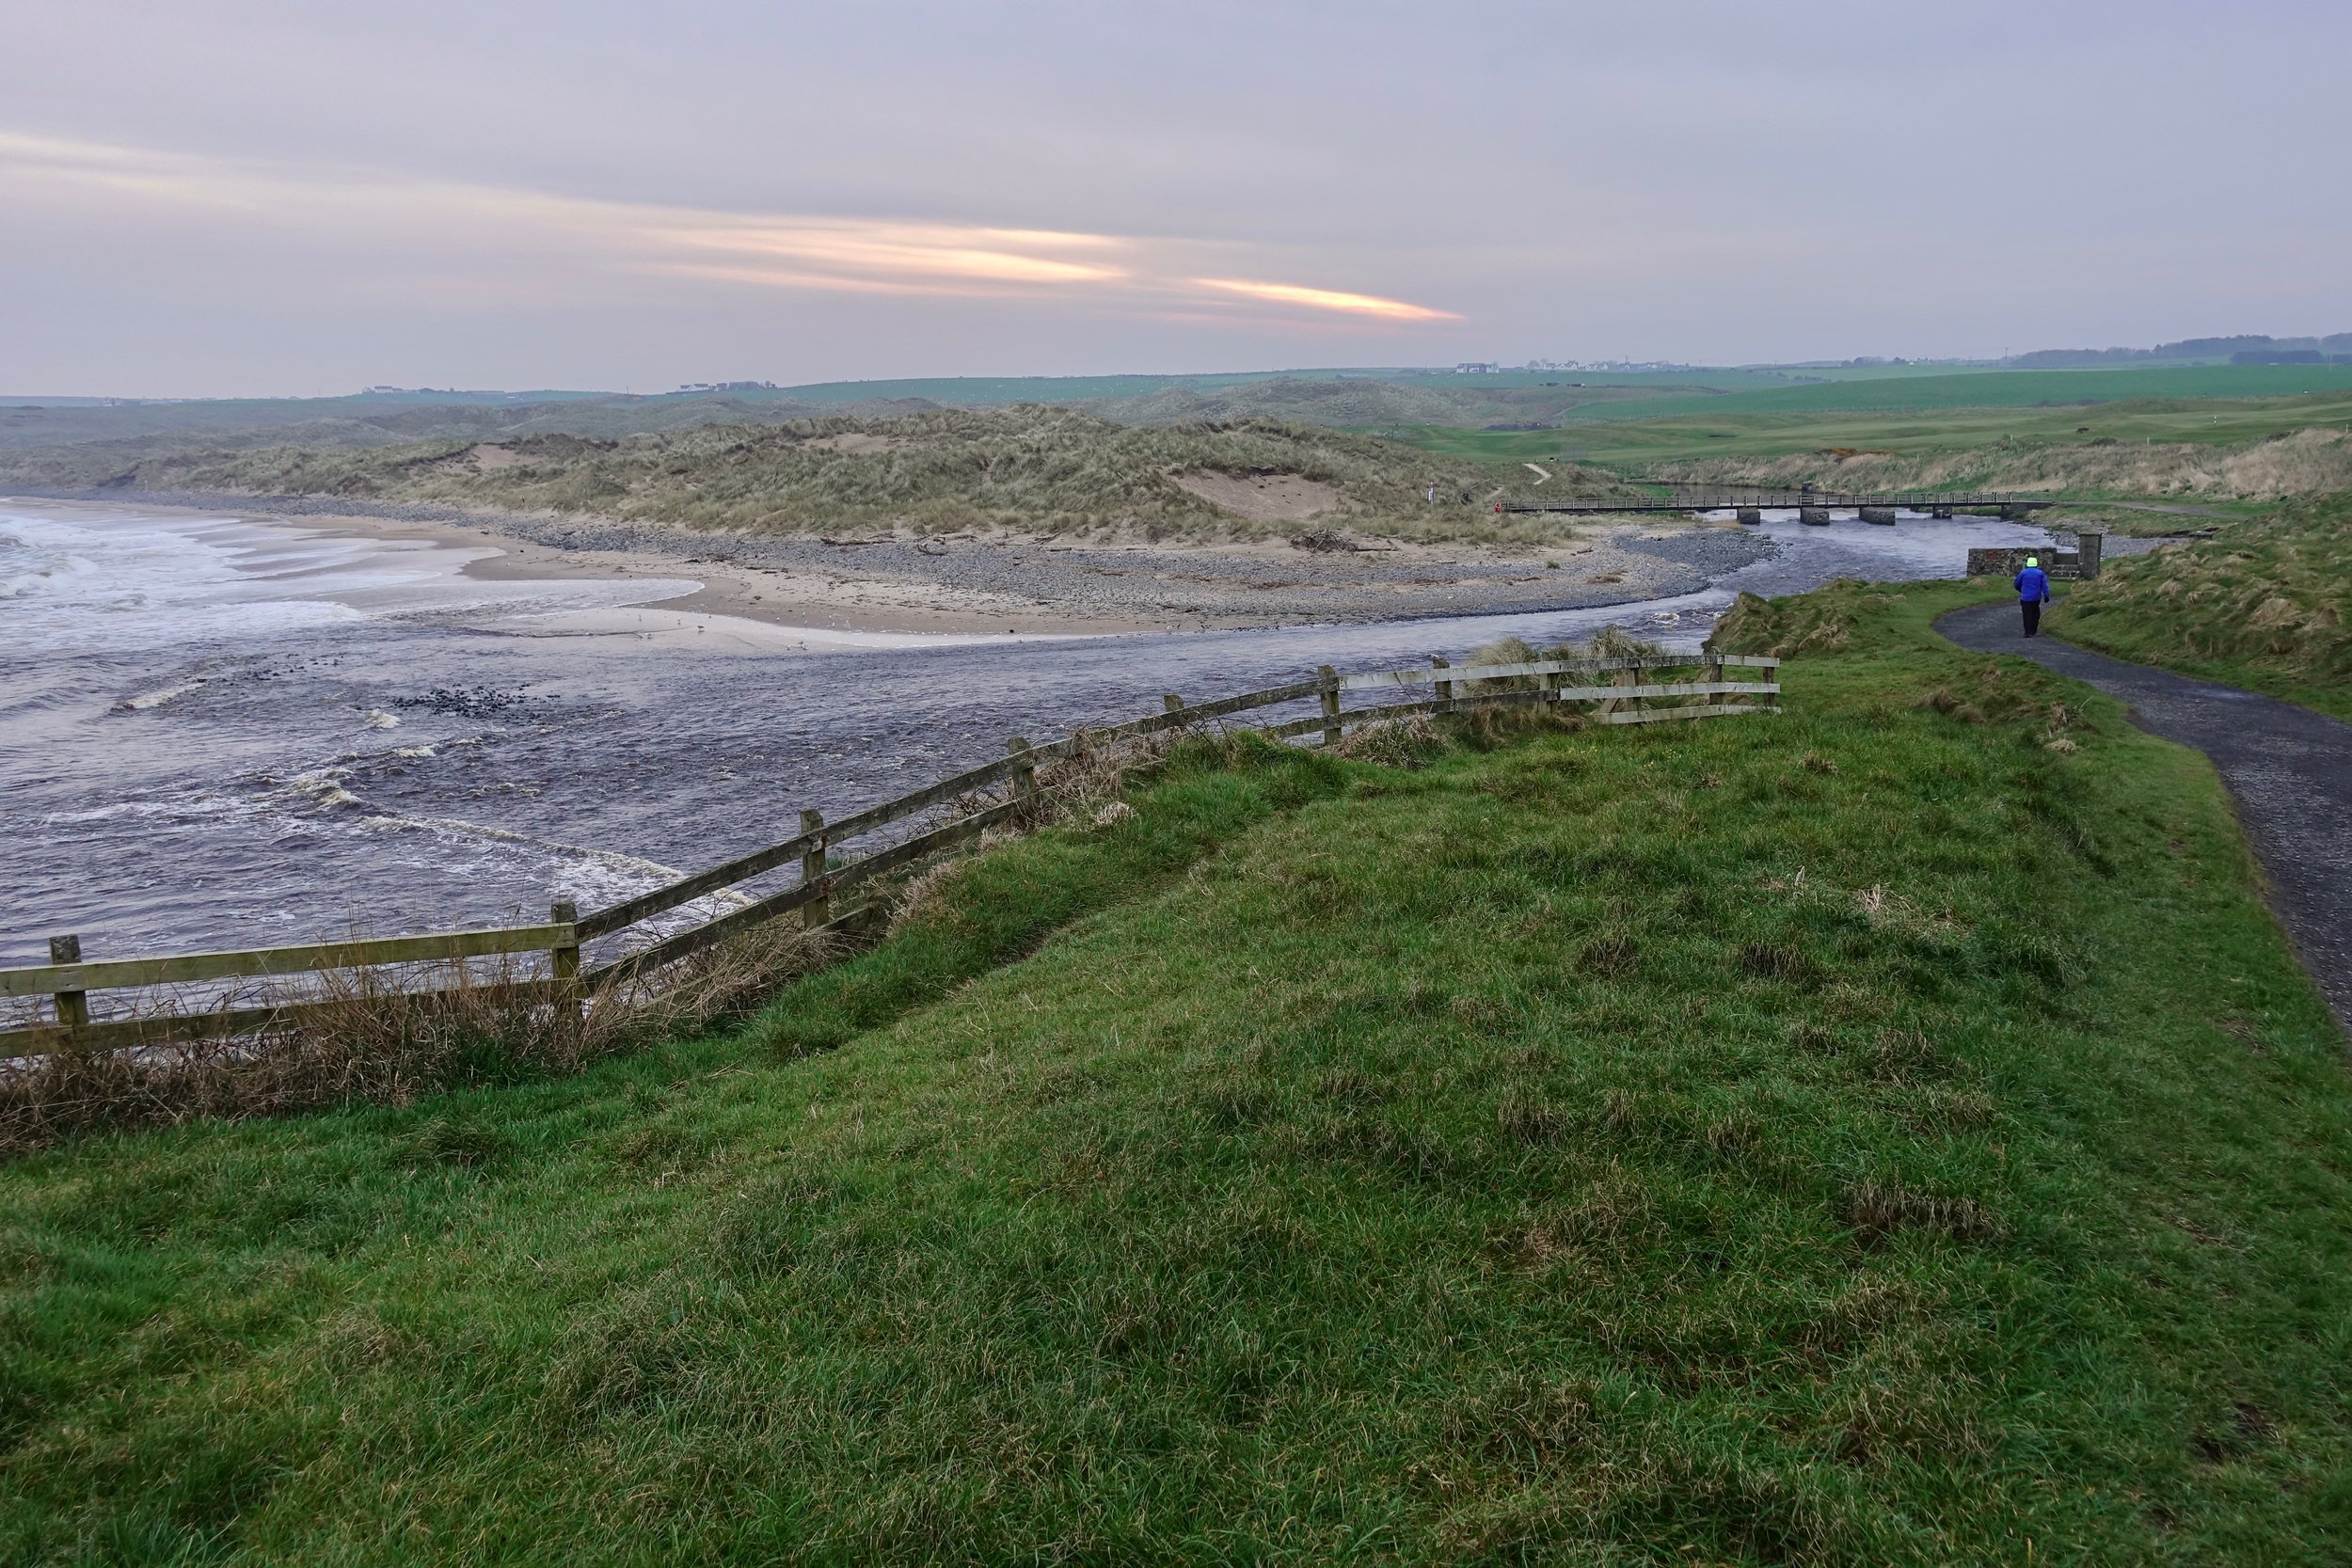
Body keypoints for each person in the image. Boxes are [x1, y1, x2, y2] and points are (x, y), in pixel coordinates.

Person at [2014, 554, 2052, 637]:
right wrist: (2046, 596)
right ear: (2036, 564)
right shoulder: (2040, 573)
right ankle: (2033, 630)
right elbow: (2044, 586)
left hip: (2025, 597)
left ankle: (2027, 631)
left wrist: (2021, 590)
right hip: (2035, 597)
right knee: (2035, 613)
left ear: (2027, 564)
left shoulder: (2023, 573)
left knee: (2026, 614)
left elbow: (2016, 583)